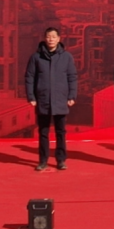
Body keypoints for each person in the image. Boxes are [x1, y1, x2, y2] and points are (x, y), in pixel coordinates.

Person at [25, 27, 77, 171]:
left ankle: (61, 160)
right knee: (43, 132)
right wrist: (31, 96)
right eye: (48, 37)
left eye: (54, 37)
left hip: (61, 99)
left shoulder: (66, 57)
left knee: (61, 132)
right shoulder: (36, 57)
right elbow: (29, 77)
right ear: (45, 38)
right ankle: (43, 161)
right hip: (43, 100)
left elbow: (72, 77)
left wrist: (72, 95)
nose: (51, 39)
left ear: (59, 39)